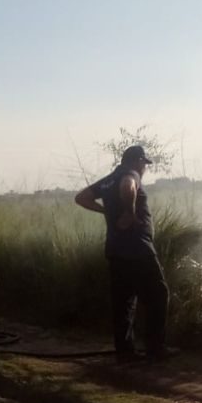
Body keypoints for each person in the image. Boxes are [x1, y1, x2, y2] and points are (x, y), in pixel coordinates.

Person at [75, 145, 170, 362]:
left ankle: (125, 352)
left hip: (115, 249)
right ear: (138, 161)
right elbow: (128, 186)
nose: (145, 168)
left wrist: (105, 211)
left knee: (123, 302)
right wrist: (129, 211)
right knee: (158, 295)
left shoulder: (109, 180)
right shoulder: (130, 174)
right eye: (144, 164)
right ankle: (155, 349)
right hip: (138, 247)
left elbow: (81, 197)